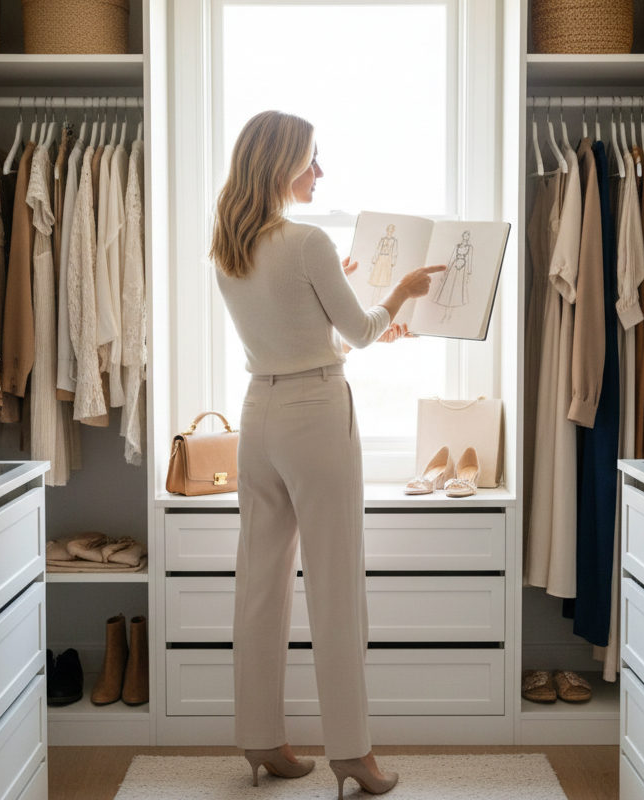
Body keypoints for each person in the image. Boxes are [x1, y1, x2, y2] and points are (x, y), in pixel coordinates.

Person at [211, 110, 443, 797]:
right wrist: (399, 291)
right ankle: (352, 753)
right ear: (283, 165)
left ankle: (262, 740)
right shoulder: (307, 241)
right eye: (312, 160)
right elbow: (363, 334)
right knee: (336, 585)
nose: (321, 172)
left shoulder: (229, 245)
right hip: (315, 414)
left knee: (260, 584)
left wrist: (347, 319)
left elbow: (300, 335)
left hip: (258, 415)